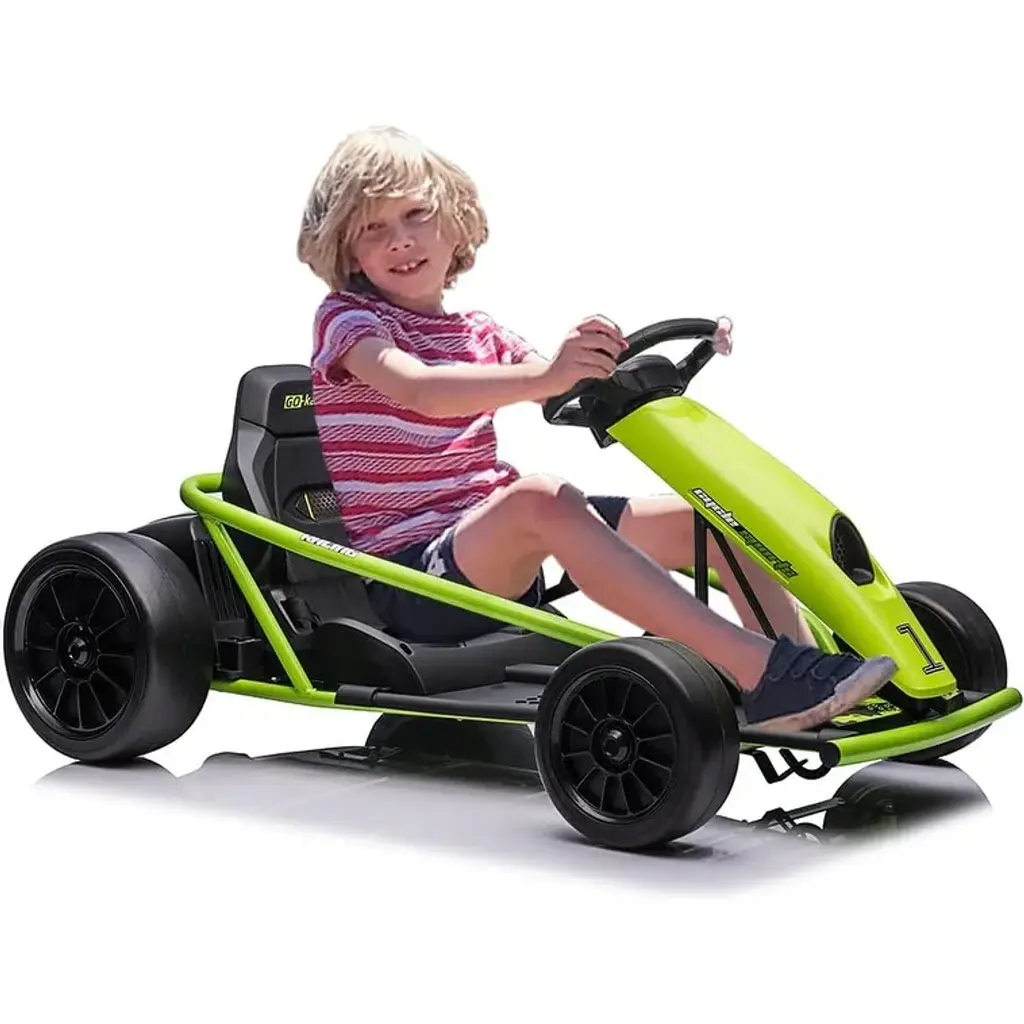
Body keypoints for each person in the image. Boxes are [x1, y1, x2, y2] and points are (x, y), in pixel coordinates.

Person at [295, 125, 896, 732]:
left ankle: (808, 681)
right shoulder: (348, 321)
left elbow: (558, 386)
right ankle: (761, 672)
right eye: (373, 228)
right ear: (347, 251)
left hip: (489, 547)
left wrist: (596, 358)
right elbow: (420, 390)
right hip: (410, 577)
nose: (400, 240)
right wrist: (549, 374)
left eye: (415, 214)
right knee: (541, 498)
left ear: (455, 221)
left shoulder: (478, 332)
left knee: (718, 520)